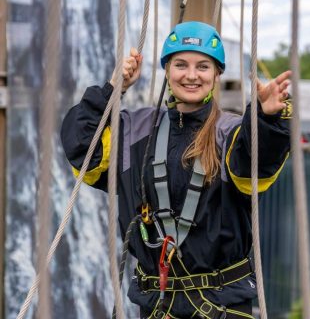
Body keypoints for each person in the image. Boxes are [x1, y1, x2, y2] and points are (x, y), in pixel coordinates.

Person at [61, 21, 291, 319]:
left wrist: (264, 118)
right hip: (157, 306)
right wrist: (112, 89)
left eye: (203, 66)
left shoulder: (233, 133)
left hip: (222, 307)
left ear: (217, 74)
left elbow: (254, 163)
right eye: (180, 64)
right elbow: (83, 151)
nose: (191, 75)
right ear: (167, 71)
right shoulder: (133, 130)